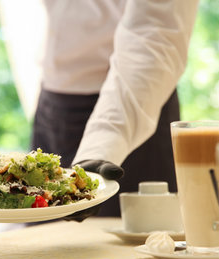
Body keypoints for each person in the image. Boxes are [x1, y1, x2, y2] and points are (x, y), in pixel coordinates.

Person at [31, 0, 199, 219]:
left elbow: (156, 32)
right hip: (54, 106)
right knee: (39, 247)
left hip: (135, 105)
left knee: (138, 245)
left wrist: (102, 147)